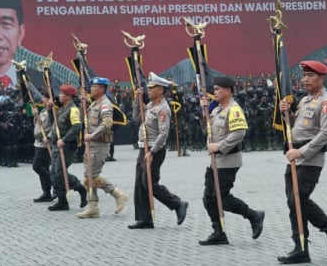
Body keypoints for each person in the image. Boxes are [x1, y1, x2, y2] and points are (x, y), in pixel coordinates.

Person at [276, 61, 327, 264]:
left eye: (310, 76)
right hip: (294, 157)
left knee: (298, 199)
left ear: (321, 78)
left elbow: (325, 134)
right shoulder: (304, 100)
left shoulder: (326, 102)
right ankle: (301, 248)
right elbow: (295, 126)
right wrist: (286, 112)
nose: (305, 79)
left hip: (310, 159)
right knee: (293, 202)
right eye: (304, 76)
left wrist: (301, 152)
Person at [197, 76, 265, 245]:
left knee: (222, 198)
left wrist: (219, 146)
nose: (215, 92)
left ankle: (253, 216)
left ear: (228, 90)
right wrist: (204, 112)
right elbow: (206, 130)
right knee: (209, 198)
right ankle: (219, 232)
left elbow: (239, 133)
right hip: (213, 162)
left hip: (228, 161)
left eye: (218, 89)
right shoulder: (217, 109)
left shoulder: (234, 109)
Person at [128, 72, 188, 229]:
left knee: (149, 183)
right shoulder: (150, 106)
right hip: (144, 148)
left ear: (161, 90)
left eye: (152, 88)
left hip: (155, 149)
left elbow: (164, 134)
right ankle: (144, 218)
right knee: (140, 184)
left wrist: (152, 152)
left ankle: (178, 204)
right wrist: (137, 100)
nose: (149, 90)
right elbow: (136, 119)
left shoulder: (163, 109)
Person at [76, 77, 130, 219]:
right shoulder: (93, 104)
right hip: (91, 144)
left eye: (94, 87)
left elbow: (107, 123)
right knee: (89, 177)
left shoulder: (105, 105)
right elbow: (83, 119)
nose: (91, 89)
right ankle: (93, 207)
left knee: (91, 176)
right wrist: (82, 105)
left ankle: (118, 195)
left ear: (101, 88)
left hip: (99, 144)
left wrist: (92, 135)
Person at [44, 84, 88, 211]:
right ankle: (62, 201)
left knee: (59, 173)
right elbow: (55, 125)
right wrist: (49, 110)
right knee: (54, 174)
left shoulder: (73, 109)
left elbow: (77, 127)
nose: (60, 96)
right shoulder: (63, 108)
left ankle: (80, 188)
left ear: (69, 96)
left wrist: (64, 140)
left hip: (67, 147)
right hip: (57, 145)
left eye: (62, 94)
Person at [32, 88, 54, 203]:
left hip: (45, 144)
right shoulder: (43, 111)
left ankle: (55, 182)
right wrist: (35, 116)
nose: (42, 99)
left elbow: (55, 126)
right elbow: (38, 125)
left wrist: (49, 137)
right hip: (38, 143)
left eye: (44, 97)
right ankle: (47, 193)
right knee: (43, 168)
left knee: (37, 166)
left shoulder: (52, 111)